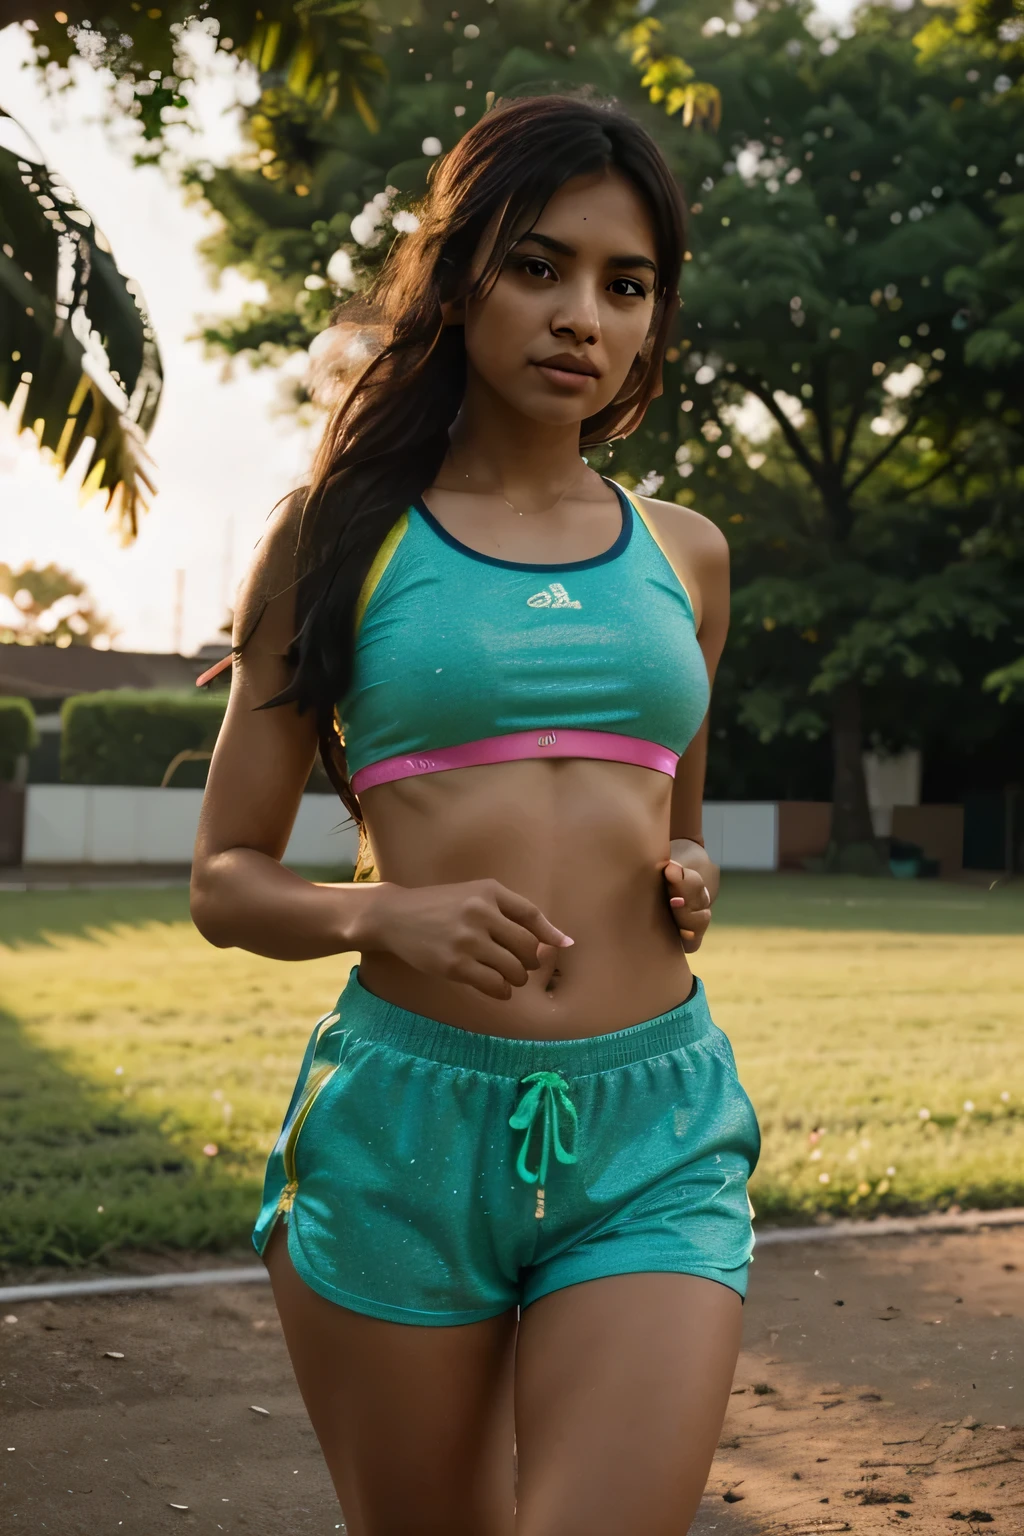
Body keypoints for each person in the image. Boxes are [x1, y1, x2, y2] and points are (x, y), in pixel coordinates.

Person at [191, 91, 760, 1536]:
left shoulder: (687, 558)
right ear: (458, 281)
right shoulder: (336, 540)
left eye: (625, 287)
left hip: (654, 1128)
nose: (584, 316)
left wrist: (687, 867)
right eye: (540, 266)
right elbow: (226, 880)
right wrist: (386, 910)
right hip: (404, 1132)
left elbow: (673, 819)